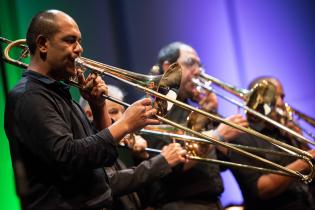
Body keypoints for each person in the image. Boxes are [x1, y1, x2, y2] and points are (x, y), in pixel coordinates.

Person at [4, 9, 160, 210]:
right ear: (43, 44)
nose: (79, 49)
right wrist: (126, 124)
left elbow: (101, 157)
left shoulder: (59, 92)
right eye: (70, 40)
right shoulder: (30, 96)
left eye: (79, 41)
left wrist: (98, 106)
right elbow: (67, 156)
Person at [144, 42, 248, 210]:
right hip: (180, 204)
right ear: (169, 66)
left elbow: (223, 164)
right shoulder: (155, 109)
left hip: (213, 203)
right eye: (190, 63)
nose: (198, 70)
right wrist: (217, 136)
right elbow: (168, 167)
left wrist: (211, 114)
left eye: (199, 65)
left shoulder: (196, 111)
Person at [79, 85, 188, 210]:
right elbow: (111, 183)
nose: (121, 118)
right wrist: (161, 162)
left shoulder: (118, 152)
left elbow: (151, 198)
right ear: (89, 114)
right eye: (114, 112)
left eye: (123, 112)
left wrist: (141, 158)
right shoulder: (90, 150)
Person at [226, 76, 315, 210]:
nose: (280, 103)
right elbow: (260, 190)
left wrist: (301, 141)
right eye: (273, 97)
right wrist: (304, 162)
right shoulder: (241, 137)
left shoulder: (286, 133)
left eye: (282, 97)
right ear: (257, 99)